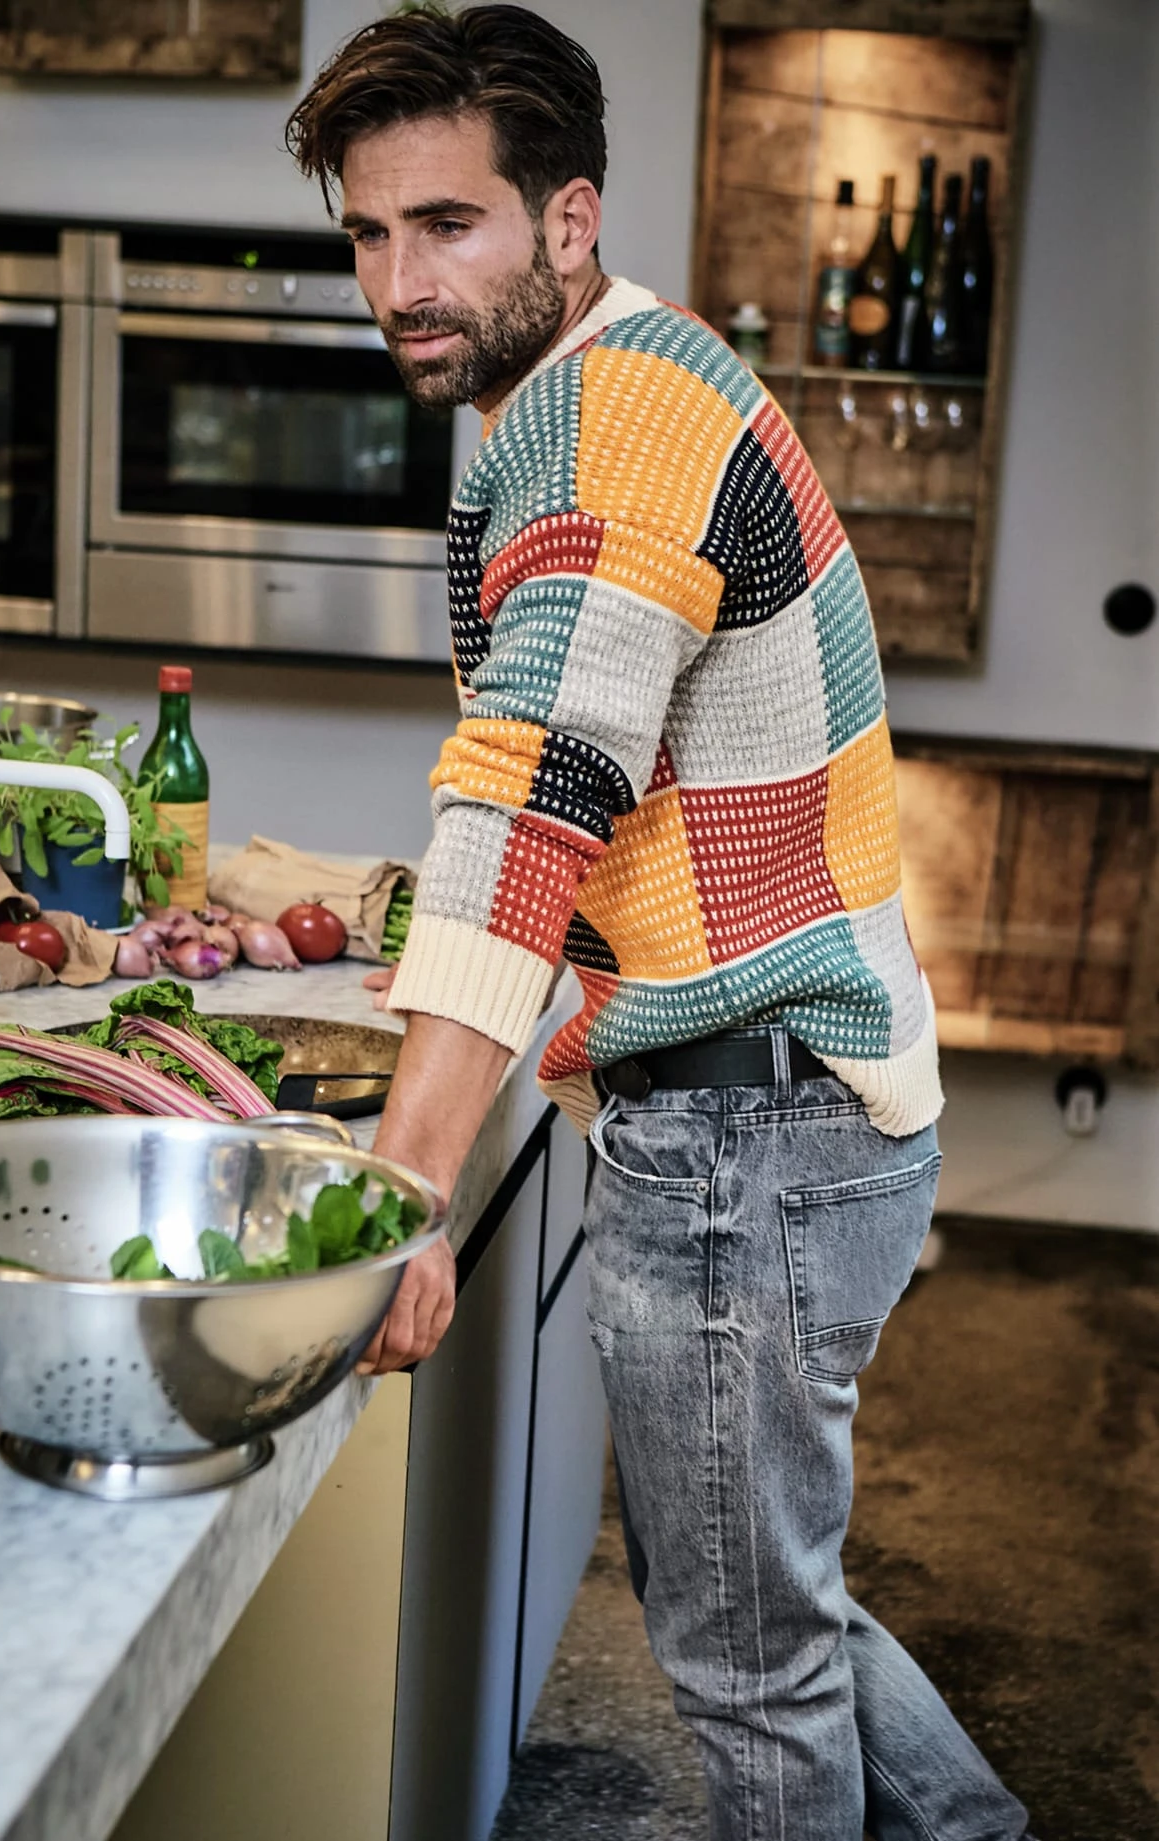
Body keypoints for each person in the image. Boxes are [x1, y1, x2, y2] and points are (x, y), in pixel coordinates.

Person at [286, 9, 1033, 1838]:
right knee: (774, 1601)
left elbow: (537, 791)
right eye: (369, 234)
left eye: (445, 224)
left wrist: (405, 1190)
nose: (399, 284)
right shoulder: (603, 381)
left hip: (745, 1140)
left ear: (568, 218)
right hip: (794, 1107)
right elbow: (574, 773)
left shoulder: (611, 425)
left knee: (747, 1660)